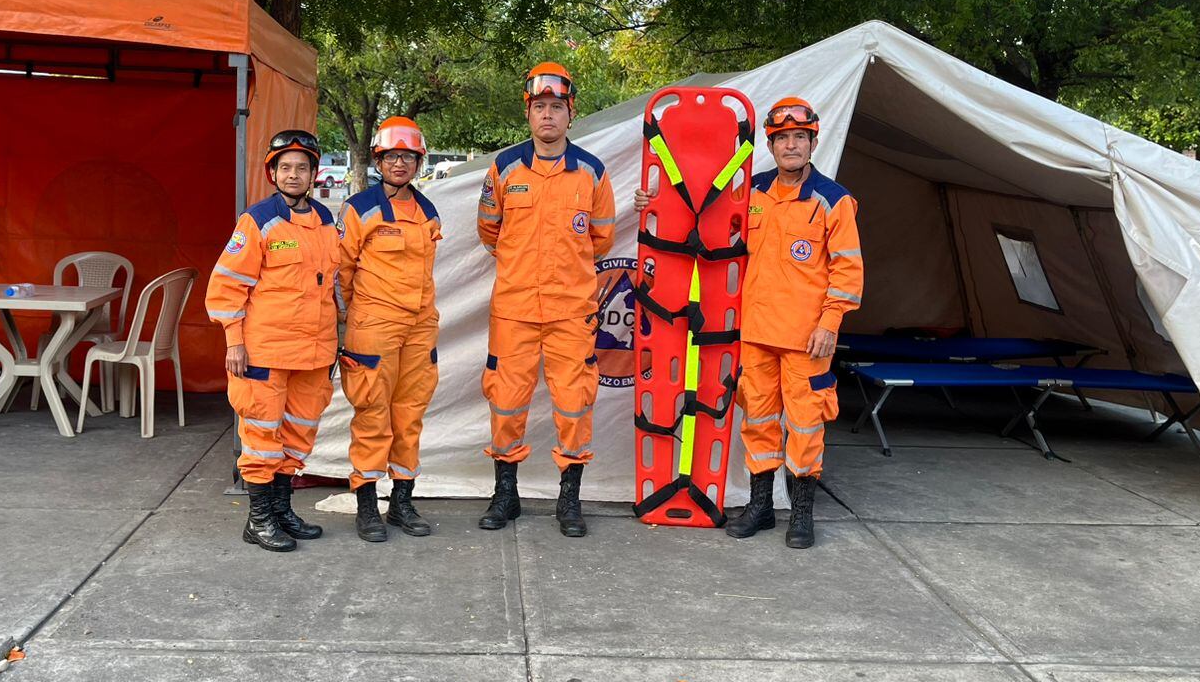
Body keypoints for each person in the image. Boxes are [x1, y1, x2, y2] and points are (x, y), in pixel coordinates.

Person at [634, 96, 861, 547]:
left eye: (799, 138)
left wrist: (829, 323)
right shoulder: (749, 193)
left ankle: (801, 514)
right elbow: (698, 220)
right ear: (771, 146)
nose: (791, 146)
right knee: (758, 421)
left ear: (813, 143)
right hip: (754, 333)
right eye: (782, 139)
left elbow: (848, 269)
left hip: (805, 339)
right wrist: (650, 198)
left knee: (805, 426)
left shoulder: (832, 201)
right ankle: (760, 507)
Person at [476, 62, 616, 537]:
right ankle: (505, 495)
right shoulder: (504, 168)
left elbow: (600, 241)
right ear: (528, 114)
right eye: (540, 107)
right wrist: (521, 269)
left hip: (572, 312)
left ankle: (569, 499)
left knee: (575, 403)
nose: (548, 116)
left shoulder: (592, 172)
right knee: (506, 402)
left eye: (557, 107)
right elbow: (489, 232)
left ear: (570, 114)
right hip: (513, 310)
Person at [205, 129, 341, 552]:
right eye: (286, 168)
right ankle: (258, 519)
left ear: (315, 173)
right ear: (273, 173)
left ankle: (281, 510)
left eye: (302, 167)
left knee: (299, 435)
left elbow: (333, 286)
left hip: (314, 353)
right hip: (265, 351)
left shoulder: (325, 221)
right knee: (262, 436)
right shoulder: (257, 221)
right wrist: (233, 342)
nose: (294, 174)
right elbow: (226, 285)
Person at [337, 116, 442, 543]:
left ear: (418, 161)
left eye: (408, 156)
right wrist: (346, 323)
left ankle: (402, 500)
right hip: (374, 326)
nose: (400, 163)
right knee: (372, 415)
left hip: (419, 328)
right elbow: (340, 274)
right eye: (392, 156)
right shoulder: (360, 209)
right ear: (379, 159)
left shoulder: (426, 211)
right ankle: (366, 505)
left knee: (409, 416)